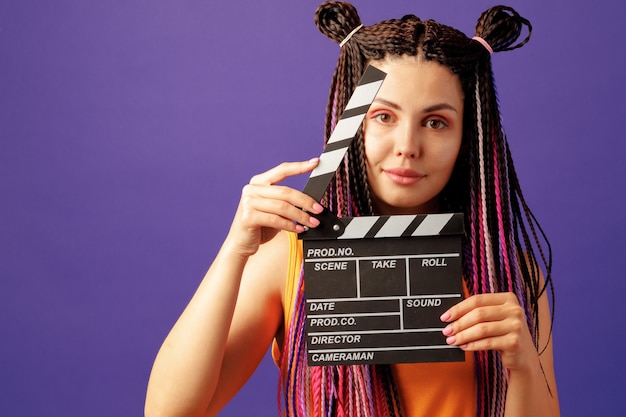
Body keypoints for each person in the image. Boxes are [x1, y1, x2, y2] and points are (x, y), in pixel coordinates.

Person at [145, 1, 559, 416]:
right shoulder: (288, 263)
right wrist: (235, 251)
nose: (407, 147)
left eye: (436, 122)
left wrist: (522, 364)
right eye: (383, 116)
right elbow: (169, 412)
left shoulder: (511, 276)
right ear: (352, 122)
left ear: (467, 138)